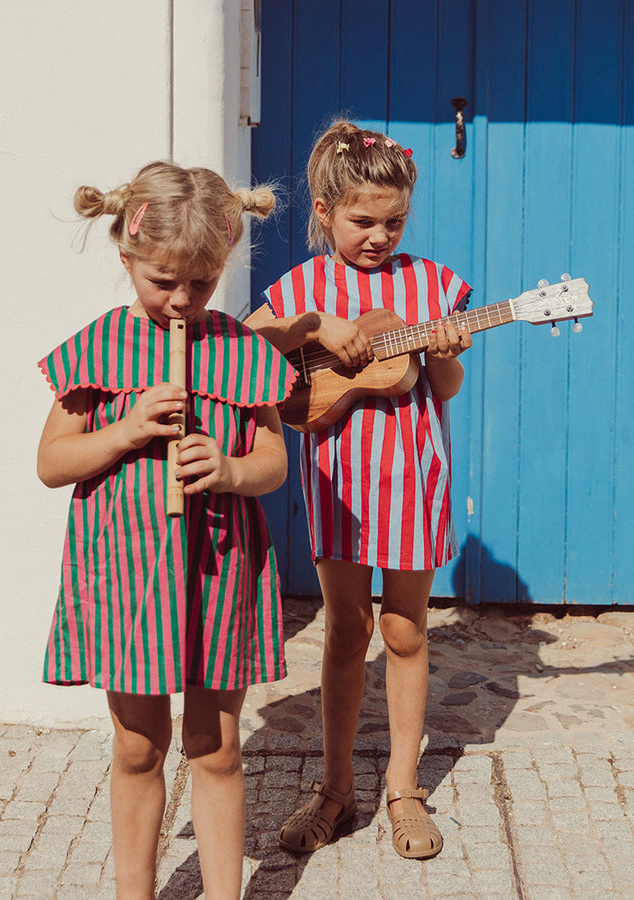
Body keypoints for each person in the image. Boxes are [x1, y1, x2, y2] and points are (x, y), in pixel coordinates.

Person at [37, 161, 296, 899]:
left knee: (214, 748)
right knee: (139, 747)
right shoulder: (96, 348)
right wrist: (124, 430)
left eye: (201, 283)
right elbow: (53, 463)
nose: (182, 299)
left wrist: (232, 469)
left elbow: (274, 460)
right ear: (127, 259)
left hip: (219, 571)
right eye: (163, 282)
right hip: (124, 576)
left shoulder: (244, 350)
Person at [245, 121, 472, 859]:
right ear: (322, 210)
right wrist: (320, 325)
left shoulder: (433, 285)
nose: (379, 236)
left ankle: (403, 789)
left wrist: (441, 353)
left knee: (405, 629)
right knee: (347, 630)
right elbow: (252, 340)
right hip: (338, 479)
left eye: (394, 222)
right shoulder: (304, 287)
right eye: (362, 221)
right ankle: (335, 790)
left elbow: (445, 386)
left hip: (413, 476)